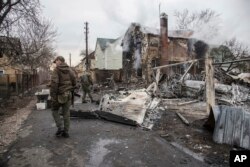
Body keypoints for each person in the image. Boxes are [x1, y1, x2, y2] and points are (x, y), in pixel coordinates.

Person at [50, 56, 76, 138]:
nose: (55, 63)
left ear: (59, 60)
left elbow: (54, 84)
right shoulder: (69, 70)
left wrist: (53, 96)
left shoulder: (56, 70)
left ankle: (60, 127)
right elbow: (74, 80)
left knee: (54, 110)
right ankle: (66, 132)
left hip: (59, 95)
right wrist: (71, 87)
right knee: (66, 113)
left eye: (56, 61)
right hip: (68, 94)